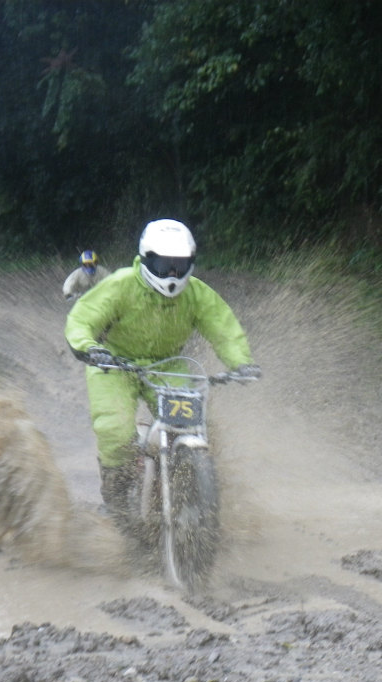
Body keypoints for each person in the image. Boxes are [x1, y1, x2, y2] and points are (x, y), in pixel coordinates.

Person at [64, 219, 260, 524]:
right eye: (164, 264)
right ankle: (117, 503)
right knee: (114, 431)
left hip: (168, 365)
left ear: (191, 264)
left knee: (200, 425)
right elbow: (83, 317)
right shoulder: (120, 284)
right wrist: (87, 346)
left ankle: (196, 487)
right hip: (114, 363)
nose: (172, 273)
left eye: (179, 266)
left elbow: (222, 327)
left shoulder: (196, 293)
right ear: (145, 259)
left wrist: (240, 362)